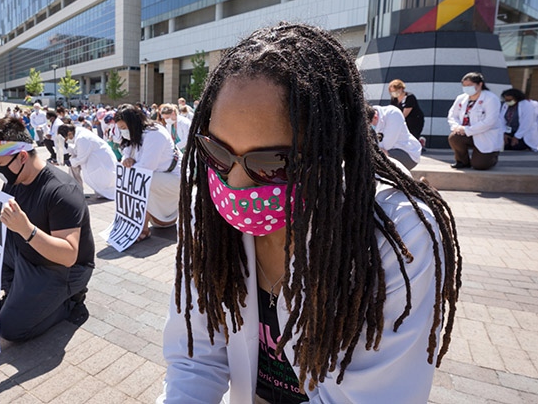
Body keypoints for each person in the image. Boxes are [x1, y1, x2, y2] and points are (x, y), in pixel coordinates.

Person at [159, 23, 462, 404]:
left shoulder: (400, 239)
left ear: (331, 151)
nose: (234, 184)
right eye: (217, 152)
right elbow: (195, 361)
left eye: (271, 163)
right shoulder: (207, 213)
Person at [0, 117, 94, 341]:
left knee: (9, 328)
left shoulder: (62, 191)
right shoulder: (15, 179)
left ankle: (68, 304)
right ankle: (20, 292)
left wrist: (27, 230)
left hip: (61, 268)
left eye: (0, 164)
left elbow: (69, 255)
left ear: (22, 156)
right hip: (28, 254)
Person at [114, 103, 181, 241]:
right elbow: (127, 151)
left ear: (133, 124)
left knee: (141, 181)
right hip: (160, 177)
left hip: (174, 178)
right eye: (120, 128)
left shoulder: (155, 134)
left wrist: (131, 164)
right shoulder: (136, 133)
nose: (123, 132)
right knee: (135, 180)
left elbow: (146, 167)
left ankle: (141, 227)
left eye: (124, 128)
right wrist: (127, 159)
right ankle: (133, 224)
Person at [447, 72, 503, 170]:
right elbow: (452, 115)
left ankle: (492, 157)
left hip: (485, 135)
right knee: (454, 137)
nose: (466, 88)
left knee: (479, 165)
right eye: (464, 86)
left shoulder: (491, 99)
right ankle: (462, 161)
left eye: (469, 85)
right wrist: (456, 126)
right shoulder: (461, 98)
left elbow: (490, 121)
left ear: (480, 84)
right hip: (467, 132)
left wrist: (467, 130)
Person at [61, 124, 117, 199]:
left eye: (66, 138)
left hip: (102, 163)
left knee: (105, 187)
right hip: (98, 160)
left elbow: (81, 158)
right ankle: (77, 191)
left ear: (69, 133)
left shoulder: (82, 138)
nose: (68, 140)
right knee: (73, 166)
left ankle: (77, 192)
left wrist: (70, 162)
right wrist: (67, 147)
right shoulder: (80, 134)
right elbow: (77, 150)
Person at [367, 104, 422, 171]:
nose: (370, 128)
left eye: (370, 125)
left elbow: (387, 145)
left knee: (375, 158)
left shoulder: (393, 114)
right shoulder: (368, 115)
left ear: (375, 117)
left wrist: (372, 146)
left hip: (407, 153)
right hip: (388, 151)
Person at [388, 79, 425, 146]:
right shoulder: (394, 99)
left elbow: (404, 115)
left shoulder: (409, 97)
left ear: (401, 89)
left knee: (412, 138)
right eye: (392, 91)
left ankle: (418, 144)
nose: (393, 93)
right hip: (402, 121)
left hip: (414, 121)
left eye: (395, 91)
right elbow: (392, 110)